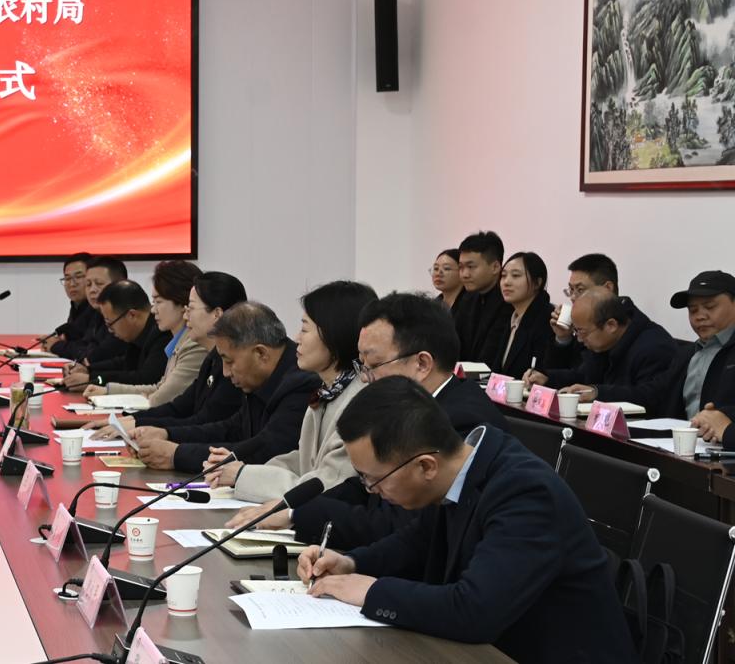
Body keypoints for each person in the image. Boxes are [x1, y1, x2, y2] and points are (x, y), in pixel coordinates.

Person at [299, 376, 635, 663]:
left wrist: (373, 591)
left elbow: (475, 611)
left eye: (374, 479)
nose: (372, 490)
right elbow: (417, 543)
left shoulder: (525, 492)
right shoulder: (463, 467)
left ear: (426, 466)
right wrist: (351, 563)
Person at [268, 292, 508, 546]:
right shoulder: (412, 408)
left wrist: (298, 517)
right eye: (361, 365)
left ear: (422, 364)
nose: (364, 378)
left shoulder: (458, 421)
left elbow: (399, 527)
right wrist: (292, 508)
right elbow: (363, 488)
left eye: (373, 365)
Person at [214, 281, 377, 516]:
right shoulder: (328, 392)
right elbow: (304, 462)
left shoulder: (360, 401)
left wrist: (243, 476)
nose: (296, 338)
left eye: (305, 329)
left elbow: (327, 484)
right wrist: (244, 471)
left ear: (333, 333)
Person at [127, 302, 316, 472]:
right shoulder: (258, 377)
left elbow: (266, 452)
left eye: (230, 361)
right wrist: (167, 434)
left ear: (260, 353)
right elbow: (232, 428)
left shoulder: (301, 384)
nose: (225, 372)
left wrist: (177, 455)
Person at [91, 271, 249, 438]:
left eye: (191, 308)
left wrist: (152, 429)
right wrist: (131, 420)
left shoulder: (232, 365)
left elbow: (205, 421)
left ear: (217, 314)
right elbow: (179, 407)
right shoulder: (212, 359)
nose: (186, 315)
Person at [526, 287, 680, 416]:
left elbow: (649, 398)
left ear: (611, 325)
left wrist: (597, 393)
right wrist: (547, 379)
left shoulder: (654, 347)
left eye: (582, 332)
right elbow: (583, 376)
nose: (579, 339)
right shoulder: (604, 341)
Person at [84, 261, 207, 408]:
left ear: (182, 303)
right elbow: (158, 389)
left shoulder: (194, 345)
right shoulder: (178, 342)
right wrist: (107, 391)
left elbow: (160, 398)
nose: (153, 310)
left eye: (158, 302)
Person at [663, 272, 735, 443]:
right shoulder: (687, 354)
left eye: (710, 307)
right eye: (693, 310)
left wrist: (724, 421)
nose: (700, 316)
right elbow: (656, 394)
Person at [82, 280, 172, 388]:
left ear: (132, 315)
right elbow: (125, 364)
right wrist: (88, 370)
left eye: (110, 324)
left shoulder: (162, 333)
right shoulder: (137, 333)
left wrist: (91, 379)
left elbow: (146, 379)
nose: (110, 330)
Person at [58, 256, 131, 388]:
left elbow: (93, 356)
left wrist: (90, 374)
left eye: (99, 283)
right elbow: (88, 348)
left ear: (120, 285)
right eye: (88, 284)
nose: (92, 290)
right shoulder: (98, 313)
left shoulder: (126, 318)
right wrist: (88, 369)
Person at [545, 253, 620, 369]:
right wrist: (563, 338)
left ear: (607, 288)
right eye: (571, 289)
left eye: (580, 290)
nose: (573, 297)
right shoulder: (581, 327)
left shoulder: (627, 331)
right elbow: (571, 375)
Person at [450, 231, 511, 367]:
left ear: (495, 267)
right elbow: (453, 343)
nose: (464, 274)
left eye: (471, 267)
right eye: (461, 267)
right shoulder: (468, 299)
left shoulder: (508, 302)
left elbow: (490, 358)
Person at [493, 251, 555, 379]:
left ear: (537, 283)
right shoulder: (510, 317)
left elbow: (543, 371)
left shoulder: (547, 319)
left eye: (515, 275)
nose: (506, 282)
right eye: (503, 276)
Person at [46, 253, 99, 359]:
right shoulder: (77, 305)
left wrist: (56, 345)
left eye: (78, 277)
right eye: (67, 278)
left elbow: (87, 350)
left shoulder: (99, 308)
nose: (72, 284)